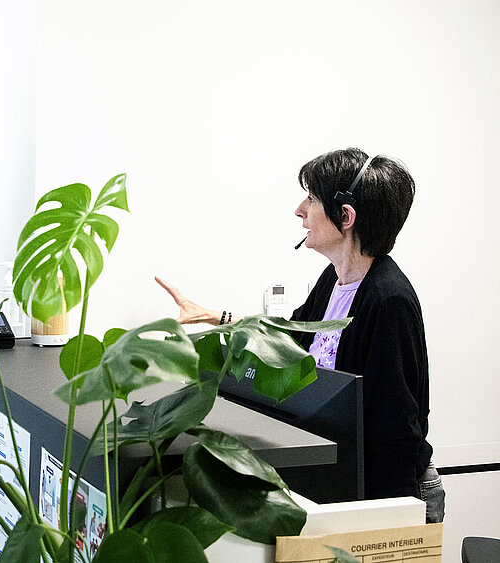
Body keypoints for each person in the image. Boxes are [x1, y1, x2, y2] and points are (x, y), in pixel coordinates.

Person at [156, 148, 444, 523]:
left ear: (346, 217)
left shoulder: (389, 300)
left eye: (311, 199)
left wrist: (386, 522)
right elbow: (287, 339)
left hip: (393, 494)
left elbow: (398, 430)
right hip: (352, 487)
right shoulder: (333, 281)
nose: (299, 210)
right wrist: (215, 316)